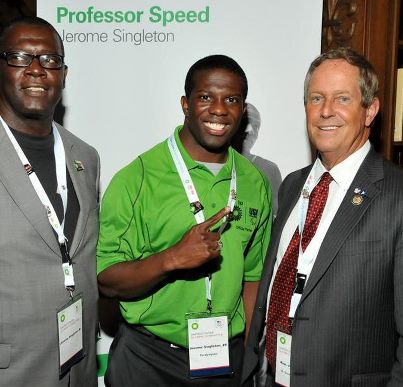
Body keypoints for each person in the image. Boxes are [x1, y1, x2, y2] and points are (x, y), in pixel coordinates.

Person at [97, 54, 272, 386]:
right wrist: (171, 259)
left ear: (242, 109)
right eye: (206, 96)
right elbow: (106, 280)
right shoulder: (137, 178)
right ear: (186, 104)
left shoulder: (254, 181)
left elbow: (253, 275)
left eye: (231, 99)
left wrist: (248, 350)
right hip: (148, 359)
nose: (219, 109)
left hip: (224, 359)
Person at [242, 48, 403, 387]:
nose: (326, 111)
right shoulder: (291, 185)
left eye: (342, 98)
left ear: (370, 110)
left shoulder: (396, 194)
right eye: (316, 98)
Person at [0, 17, 100, 386]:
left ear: (64, 73)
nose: (37, 70)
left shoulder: (85, 157)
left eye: (50, 60)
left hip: (79, 365)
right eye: (20, 57)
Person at [232, 102, 282, 216]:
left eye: (255, 126)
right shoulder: (211, 163)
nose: (250, 130)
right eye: (244, 123)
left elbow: (277, 217)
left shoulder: (268, 169)